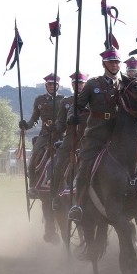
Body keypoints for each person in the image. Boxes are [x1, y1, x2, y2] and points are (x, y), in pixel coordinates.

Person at [68, 49, 124, 221]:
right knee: (85, 166)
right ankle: (78, 204)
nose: (114, 65)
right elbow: (77, 104)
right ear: (104, 64)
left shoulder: (125, 84)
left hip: (119, 133)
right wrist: (73, 114)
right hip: (96, 133)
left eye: (117, 62)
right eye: (111, 62)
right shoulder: (93, 84)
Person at [20, 73, 64, 198]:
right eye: (49, 84)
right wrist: (25, 125)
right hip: (44, 135)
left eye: (54, 84)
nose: (52, 86)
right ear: (46, 85)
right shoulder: (39, 100)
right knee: (33, 157)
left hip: (61, 134)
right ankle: (33, 186)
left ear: (58, 86)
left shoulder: (64, 100)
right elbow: (34, 118)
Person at [52, 72, 89, 202]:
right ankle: (55, 196)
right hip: (71, 139)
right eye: (76, 83)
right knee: (58, 163)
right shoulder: (66, 101)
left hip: (89, 139)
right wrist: (55, 127)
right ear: (72, 84)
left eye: (81, 83)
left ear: (85, 84)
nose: (78, 85)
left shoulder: (92, 101)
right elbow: (60, 122)